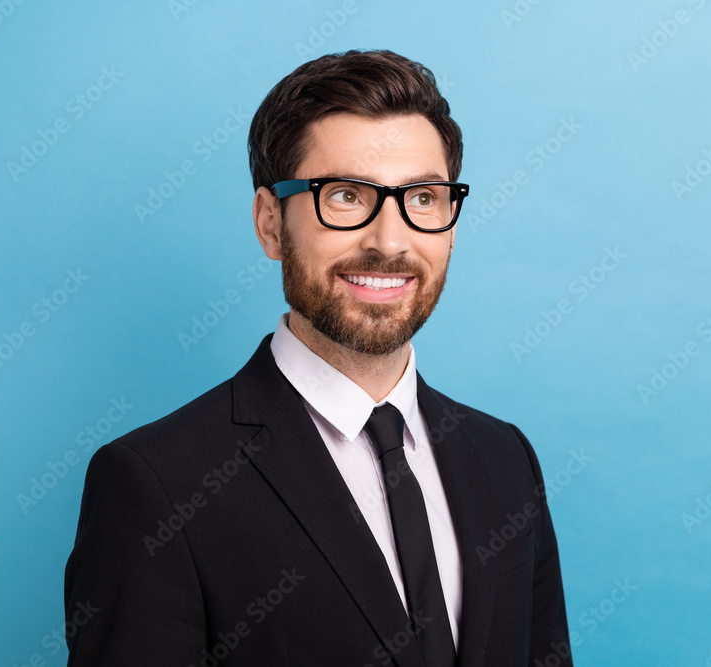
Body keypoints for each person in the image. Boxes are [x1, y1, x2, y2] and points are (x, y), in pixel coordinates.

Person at [64, 49, 572, 667]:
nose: (389, 242)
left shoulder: (505, 459)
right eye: (346, 196)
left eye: (423, 198)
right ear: (271, 224)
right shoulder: (157, 486)